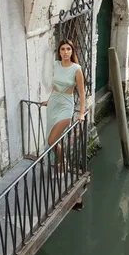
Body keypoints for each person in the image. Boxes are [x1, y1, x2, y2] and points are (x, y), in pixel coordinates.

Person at [41, 39, 86, 211]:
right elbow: (54, 86)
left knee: (52, 139)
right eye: (62, 49)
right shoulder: (56, 64)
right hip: (53, 102)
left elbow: (81, 94)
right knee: (50, 138)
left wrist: (80, 113)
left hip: (67, 105)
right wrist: (49, 100)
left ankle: (62, 163)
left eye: (68, 49)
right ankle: (62, 162)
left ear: (72, 51)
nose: (65, 52)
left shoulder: (77, 69)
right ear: (59, 52)